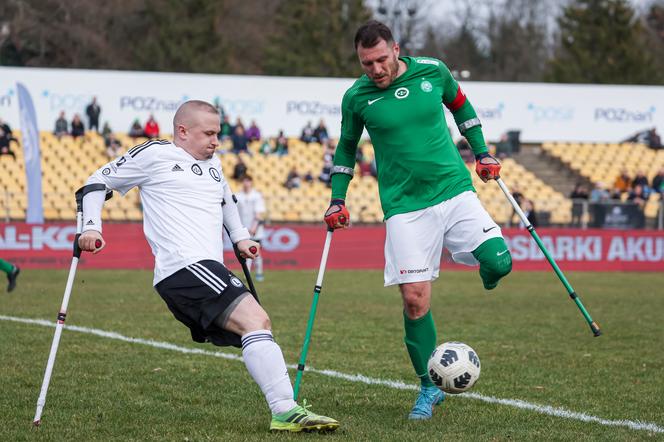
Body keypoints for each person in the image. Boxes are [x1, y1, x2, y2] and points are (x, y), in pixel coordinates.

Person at [77, 100, 338, 433]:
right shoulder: (156, 154)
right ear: (183, 131)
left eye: (218, 133)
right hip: (183, 266)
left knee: (256, 327)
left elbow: (227, 202)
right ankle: (285, 410)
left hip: (203, 267)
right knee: (256, 320)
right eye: (209, 133)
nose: (216, 141)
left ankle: (285, 409)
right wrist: (91, 227)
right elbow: (96, 183)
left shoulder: (214, 165)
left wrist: (241, 238)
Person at [323, 20, 511, 420]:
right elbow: (345, 148)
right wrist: (337, 199)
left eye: (380, 60)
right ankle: (429, 388)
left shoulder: (433, 70)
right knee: (414, 299)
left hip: (454, 190)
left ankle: (487, 273)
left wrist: (482, 152)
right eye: (365, 63)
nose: (374, 70)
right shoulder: (356, 97)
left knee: (499, 262)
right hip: (404, 207)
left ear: (396, 49)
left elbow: (461, 105)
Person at [236, 175, 266, 281]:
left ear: (251, 182)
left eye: (248, 181)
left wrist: (254, 227)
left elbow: (258, 214)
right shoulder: (238, 196)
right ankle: (247, 274)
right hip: (244, 229)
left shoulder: (256, 196)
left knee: (257, 252)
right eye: (244, 180)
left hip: (256, 230)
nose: (246, 183)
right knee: (246, 252)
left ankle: (259, 273)